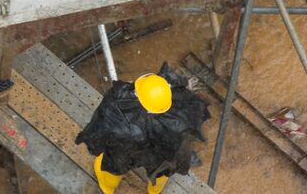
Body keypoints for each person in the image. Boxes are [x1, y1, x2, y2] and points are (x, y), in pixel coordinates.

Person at [76, 63, 210, 194]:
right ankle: (154, 191)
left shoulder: (120, 115)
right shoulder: (178, 114)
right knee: (162, 172)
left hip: (126, 152)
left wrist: (95, 146)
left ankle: (107, 188)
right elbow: (182, 142)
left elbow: (100, 128)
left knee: (113, 168)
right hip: (160, 155)